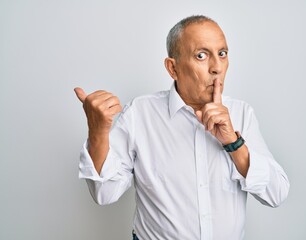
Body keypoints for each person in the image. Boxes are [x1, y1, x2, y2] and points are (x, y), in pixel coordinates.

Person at [75, 15, 290, 240]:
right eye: (201, 55)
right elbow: (104, 193)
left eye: (222, 54)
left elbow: (277, 194)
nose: (217, 67)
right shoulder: (140, 114)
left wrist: (234, 143)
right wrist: (98, 132)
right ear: (173, 68)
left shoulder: (241, 114)